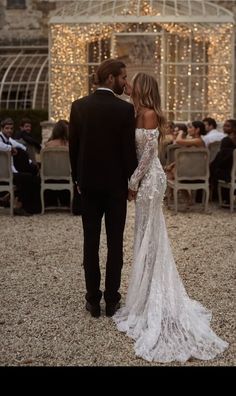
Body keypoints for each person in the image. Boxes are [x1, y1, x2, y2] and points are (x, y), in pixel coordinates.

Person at [113, 72, 228, 363]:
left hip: (150, 181)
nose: (130, 88)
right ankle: (145, 286)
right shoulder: (137, 110)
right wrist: (125, 86)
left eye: (134, 85)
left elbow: (150, 153)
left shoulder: (149, 114)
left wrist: (132, 183)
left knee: (150, 233)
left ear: (143, 89)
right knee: (143, 233)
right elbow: (127, 101)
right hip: (145, 180)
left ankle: (153, 291)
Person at [69, 58, 137, 318]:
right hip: (116, 188)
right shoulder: (123, 110)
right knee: (115, 243)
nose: (125, 82)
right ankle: (111, 300)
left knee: (90, 242)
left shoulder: (78, 107)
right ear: (111, 78)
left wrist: (78, 180)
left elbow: (73, 149)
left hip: (88, 186)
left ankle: (92, 300)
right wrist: (132, 183)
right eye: (123, 77)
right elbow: (128, 152)